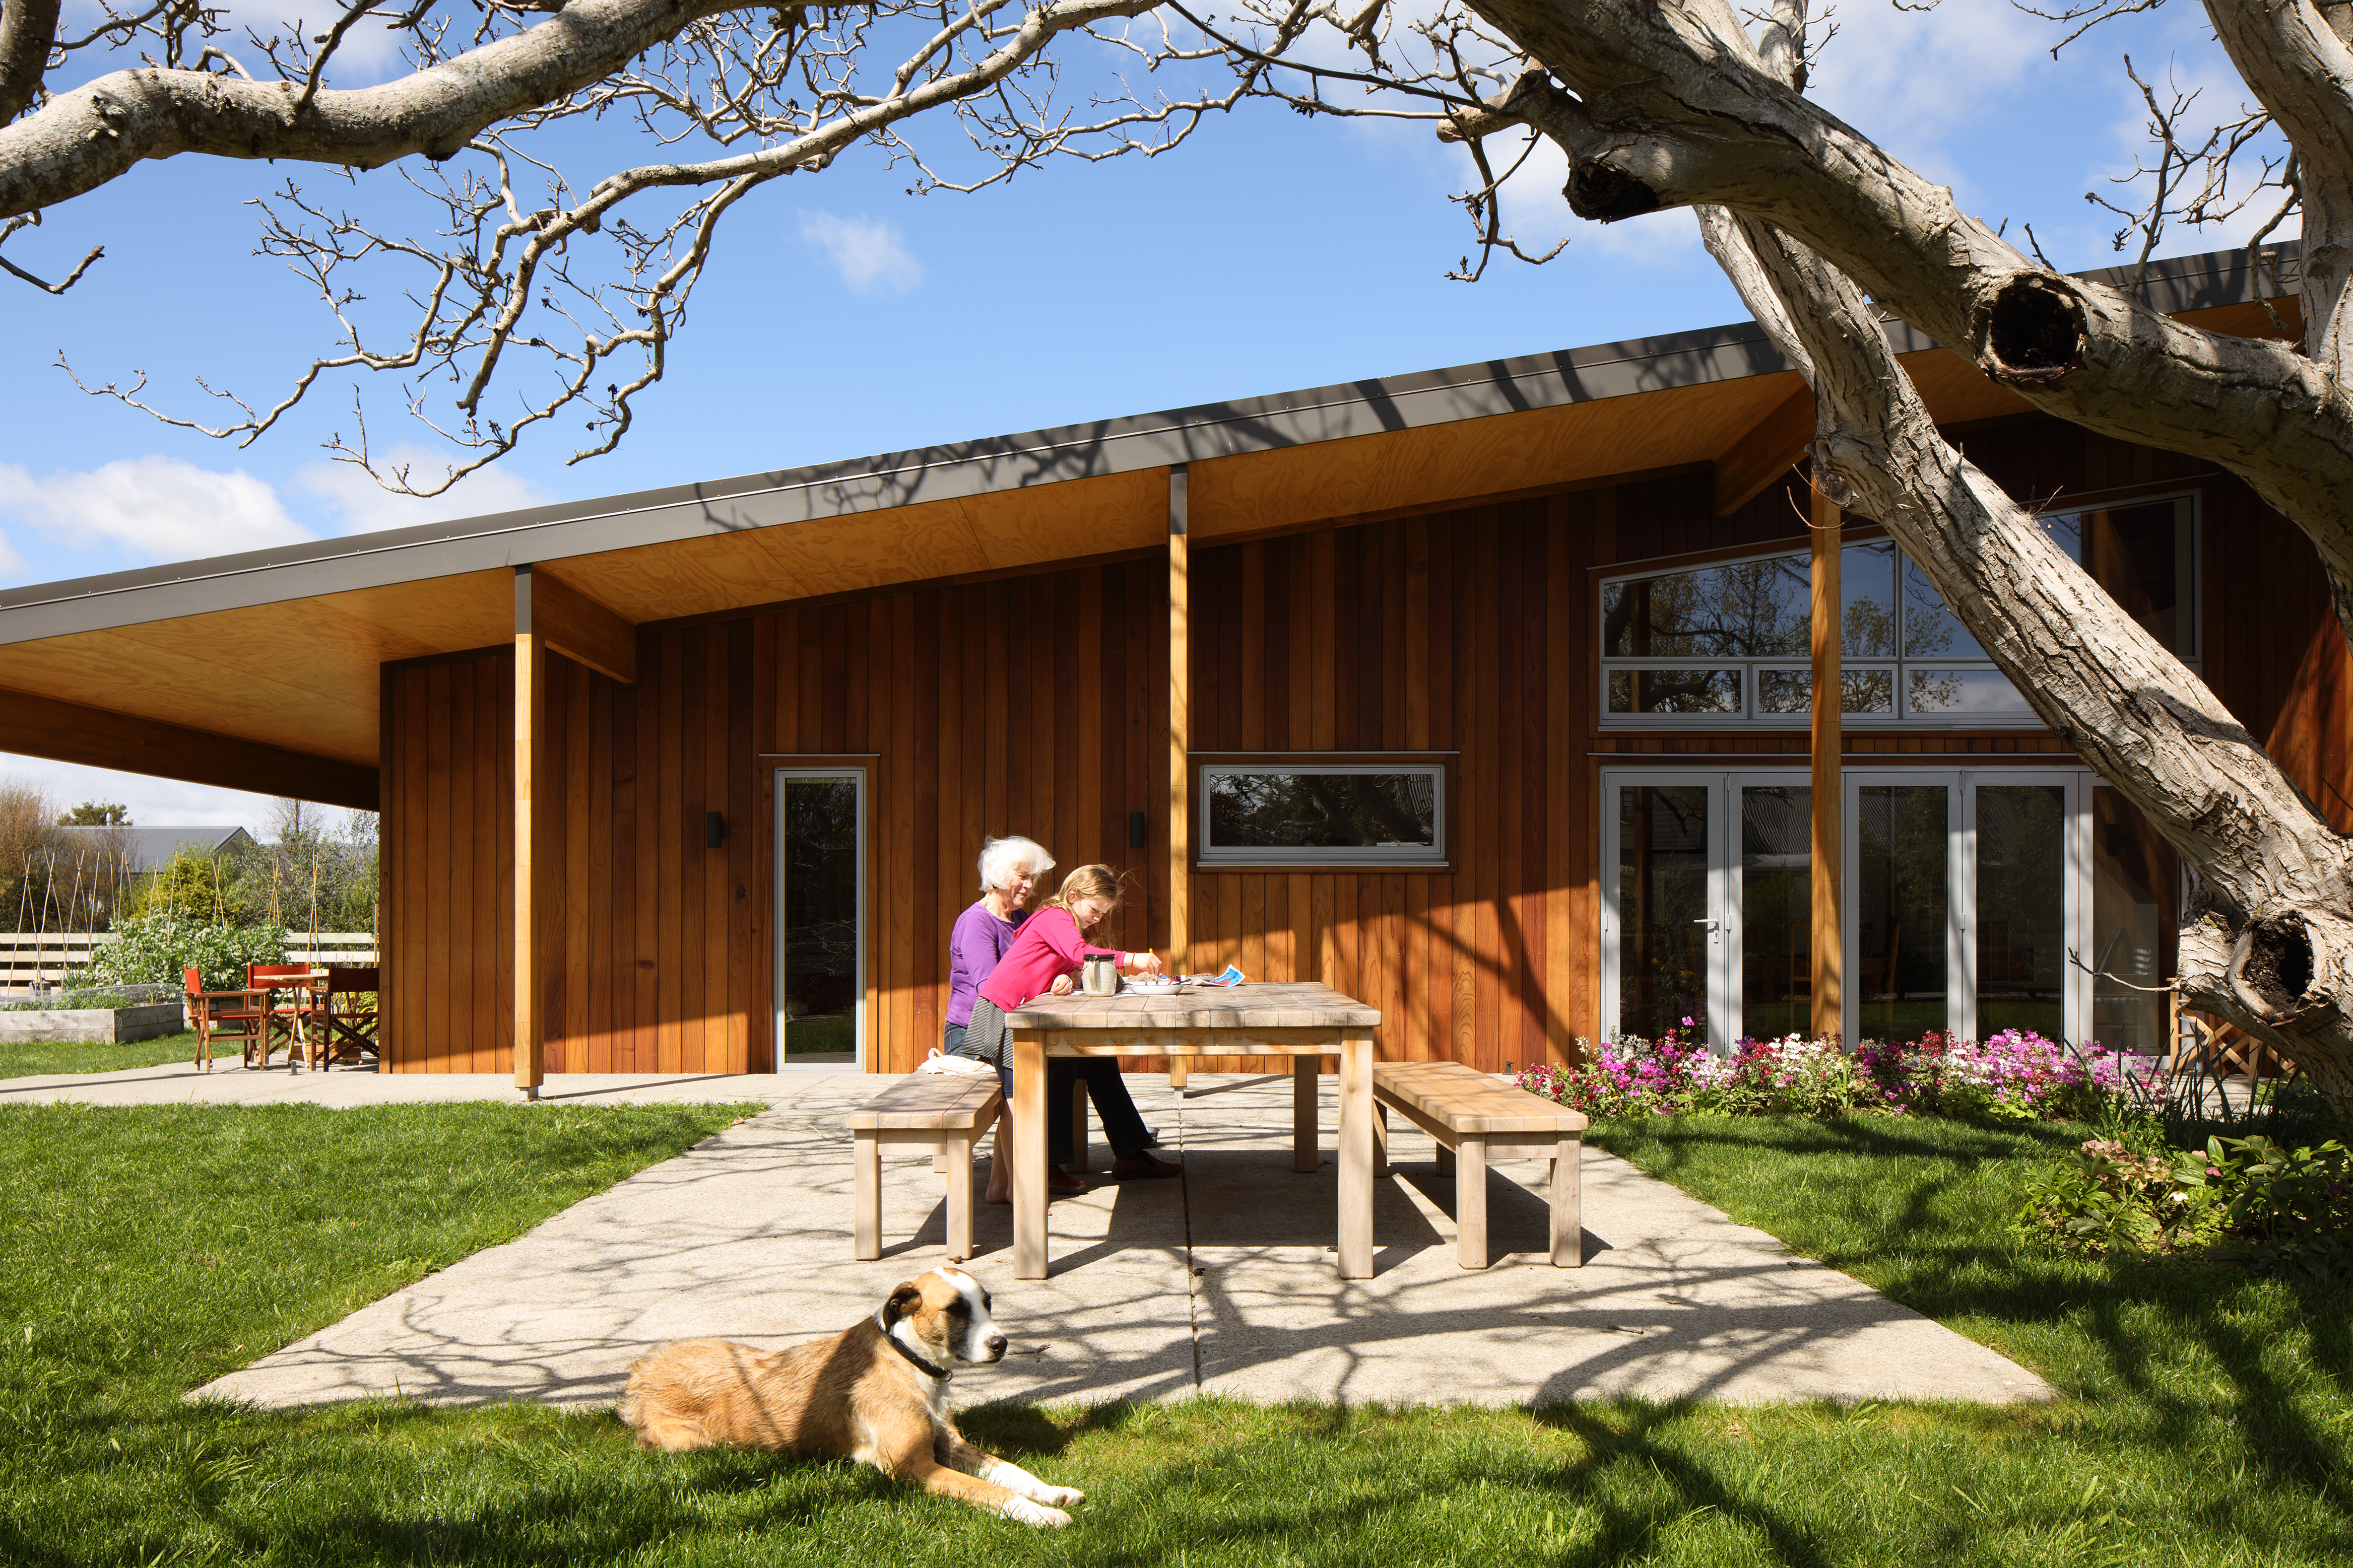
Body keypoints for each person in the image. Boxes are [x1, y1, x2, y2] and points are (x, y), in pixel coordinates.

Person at [950, 859, 1180, 1197]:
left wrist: (1061, 976)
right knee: (1022, 1097)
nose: (1097, 918)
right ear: (1073, 896)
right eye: (1095, 909)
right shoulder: (1055, 916)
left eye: (1103, 913)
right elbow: (1078, 952)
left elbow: (1044, 959)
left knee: (1089, 1061)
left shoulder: (1057, 919)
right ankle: (1025, 1186)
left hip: (1016, 1012)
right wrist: (1131, 958)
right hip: (1004, 1016)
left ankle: (1005, 1185)